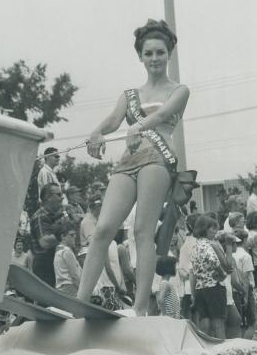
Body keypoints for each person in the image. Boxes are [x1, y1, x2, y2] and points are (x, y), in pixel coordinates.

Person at [77, 19, 190, 316]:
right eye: (149, 53)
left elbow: (164, 113)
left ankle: (140, 308)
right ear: (140, 56)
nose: (154, 58)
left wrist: (139, 124)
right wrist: (96, 133)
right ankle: (78, 303)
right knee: (102, 229)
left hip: (158, 157)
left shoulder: (179, 90)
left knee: (142, 231)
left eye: (160, 52)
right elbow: (113, 121)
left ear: (169, 54)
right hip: (129, 160)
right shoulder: (129, 95)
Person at [191, 215, 227, 339]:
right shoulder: (208, 245)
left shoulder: (195, 246)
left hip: (200, 287)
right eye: (212, 228)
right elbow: (213, 260)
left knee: (204, 322)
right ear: (205, 229)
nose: (215, 231)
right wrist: (222, 273)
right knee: (218, 323)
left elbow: (194, 271)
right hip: (214, 286)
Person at [30, 183, 66, 287]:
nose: (62, 197)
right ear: (48, 197)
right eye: (58, 194)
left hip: (56, 263)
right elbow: (44, 242)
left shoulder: (57, 215)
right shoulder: (40, 216)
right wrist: (63, 233)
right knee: (47, 302)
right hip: (45, 266)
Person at [53, 220, 82, 297]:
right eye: (72, 235)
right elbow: (74, 276)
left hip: (60, 289)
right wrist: (83, 292)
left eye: (75, 234)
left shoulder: (58, 251)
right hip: (70, 287)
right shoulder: (67, 251)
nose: (75, 237)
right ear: (63, 237)